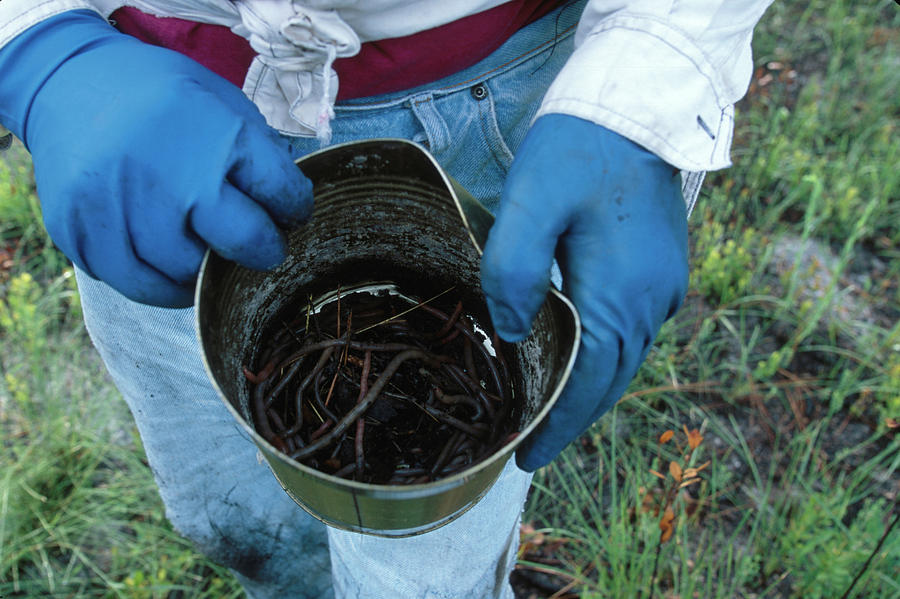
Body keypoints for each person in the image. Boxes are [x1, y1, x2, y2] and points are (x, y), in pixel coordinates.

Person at [0, 1, 773, 596]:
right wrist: (36, 45)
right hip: (149, 133)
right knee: (228, 512)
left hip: (512, 102)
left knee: (429, 571)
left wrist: (648, 78)